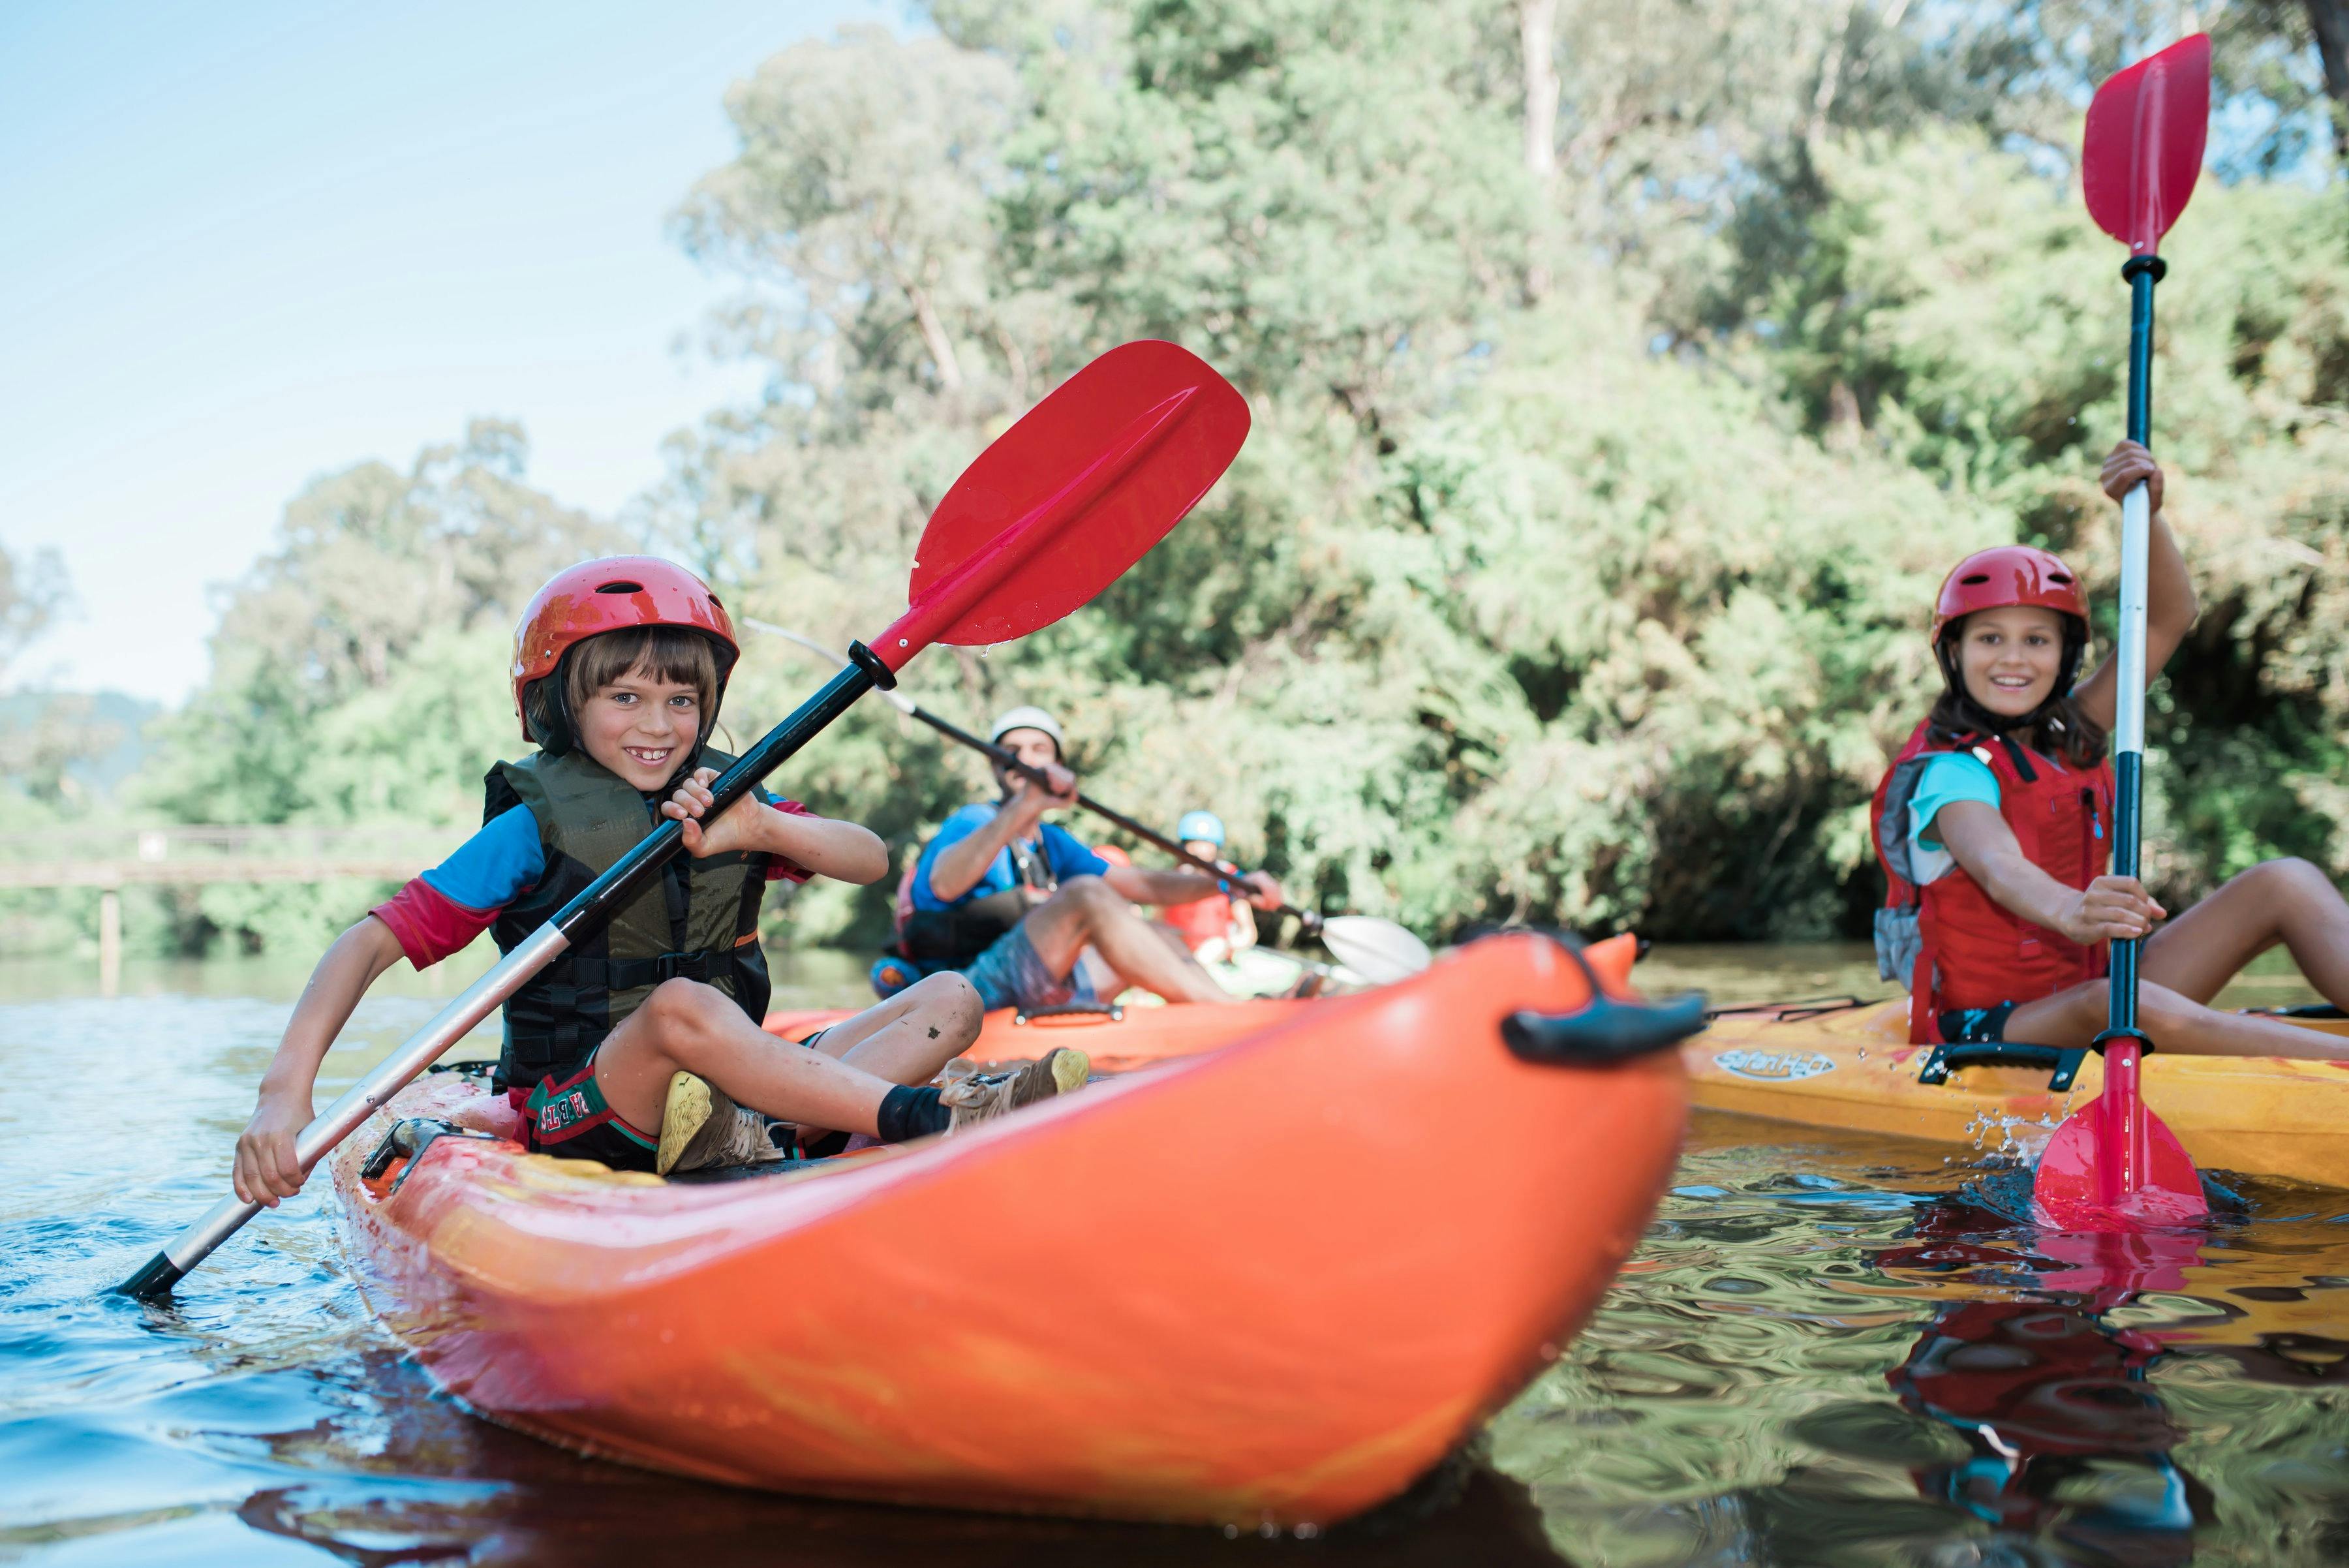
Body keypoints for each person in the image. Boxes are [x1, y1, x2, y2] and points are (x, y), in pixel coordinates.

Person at [232, 558, 1084, 1207]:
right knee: (684, 1007)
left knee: (949, 997)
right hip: (587, 1102)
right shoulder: (534, 825)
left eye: (681, 700)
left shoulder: (727, 795)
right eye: (626, 697)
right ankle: (929, 1118)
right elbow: (368, 941)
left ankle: (759, 1131)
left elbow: (870, 858)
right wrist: (283, 1097)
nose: (657, 724)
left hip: (728, 1094)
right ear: (561, 703)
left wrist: (761, 828)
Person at [1872, 442, 2349, 1060]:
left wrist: (2145, 514)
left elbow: (2167, 619)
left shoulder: (2075, 732)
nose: (2014, 658)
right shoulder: (1950, 773)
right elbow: (2000, 867)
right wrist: (2073, 908)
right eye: (1991, 637)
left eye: (2037, 639)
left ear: (2064, 657)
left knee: (2286, 881)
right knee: (2116, 1003)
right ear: (1954, 653)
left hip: (2098, 986)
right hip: (1992, 1025)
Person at [900, 707, 1287, 1011]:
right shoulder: (974, 821)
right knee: (1085, 893)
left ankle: (1226, 1009)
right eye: (1012, 752)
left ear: (1058, 764)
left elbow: (1144, 886)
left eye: (1039, 750)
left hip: (1033, 978)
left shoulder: (1053, 842)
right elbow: (943, 884)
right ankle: (1225, 1013)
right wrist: (1025, 804)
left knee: (1160, 933)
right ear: (995, 764)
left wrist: (1227, 883)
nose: (1025, 760)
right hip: (963, 988)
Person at [1158, 810, 1258, 964]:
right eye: (1194, 843)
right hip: (1175, 956)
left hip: (1213, 959)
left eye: (1206, 844)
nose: (1200, 850)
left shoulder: (1231, 881)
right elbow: (1158, 921)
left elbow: (1248, 933)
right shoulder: (1170, 880)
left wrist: (1226, 945)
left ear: (1215, 847)